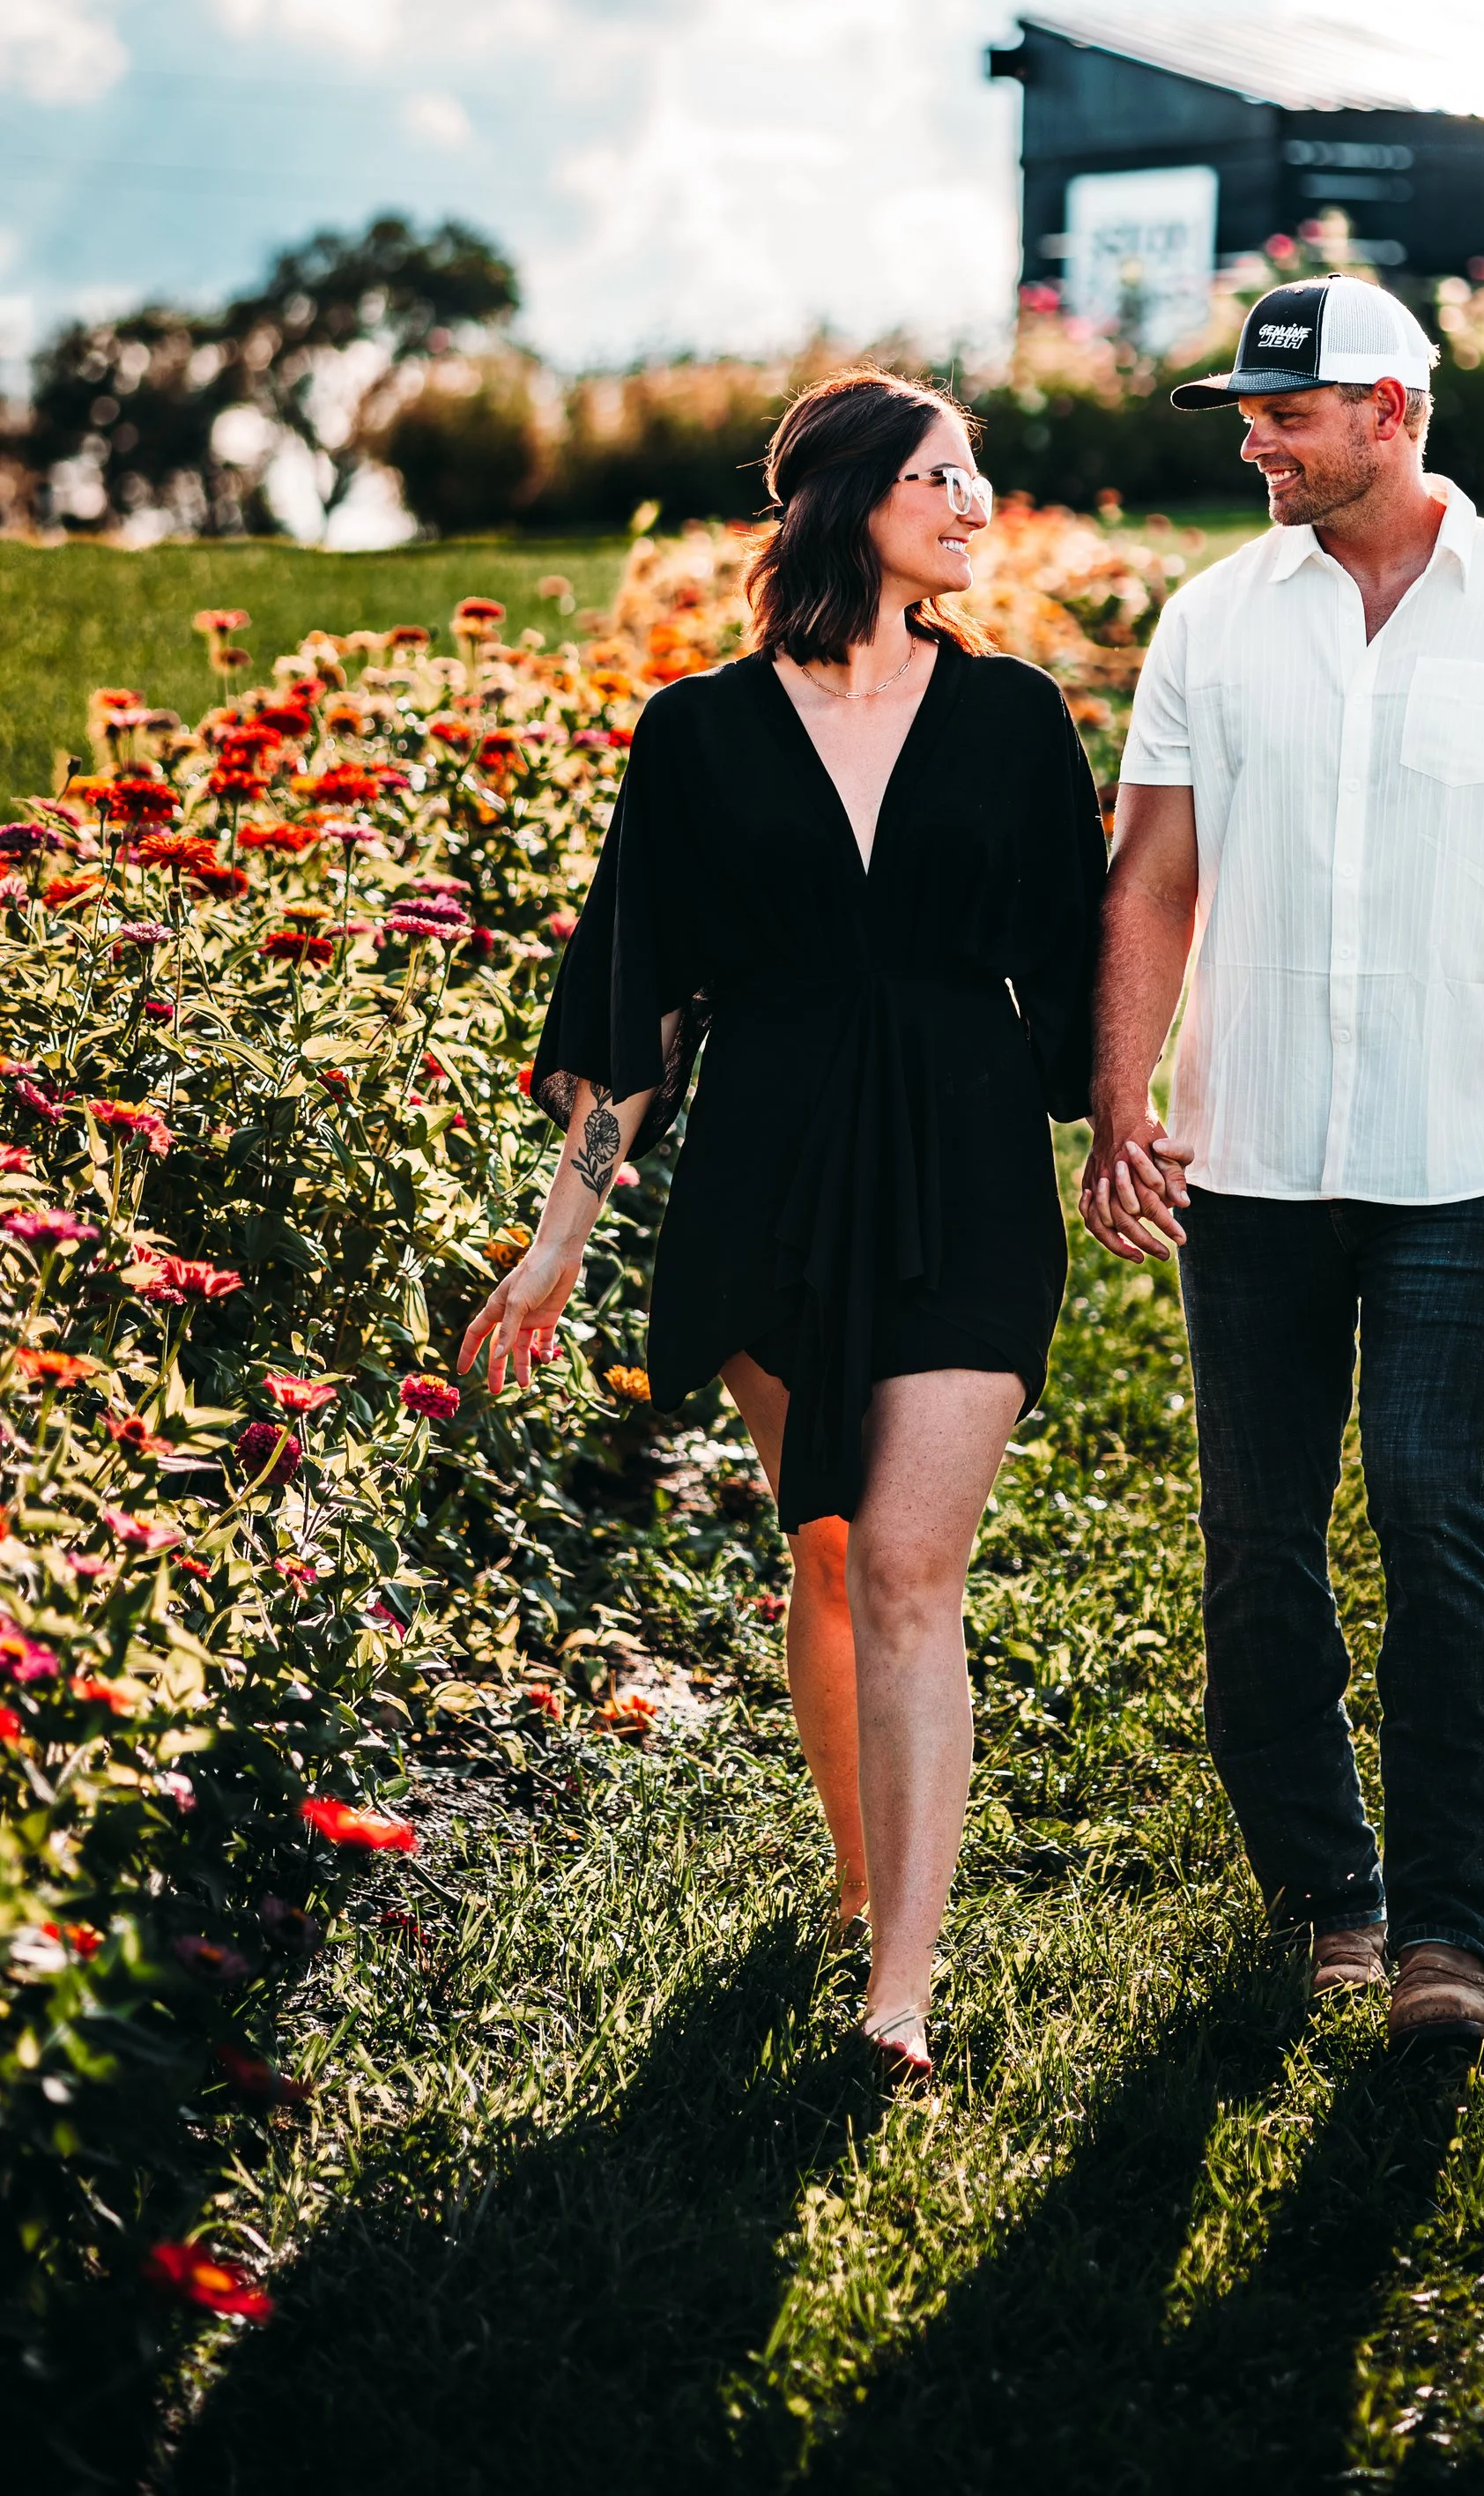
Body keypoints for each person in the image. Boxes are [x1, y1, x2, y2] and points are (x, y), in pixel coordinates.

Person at [461, 370, 1106, 2081]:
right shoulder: (696, 738)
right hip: (765, 1171)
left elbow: (1093, 970)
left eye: (978, 477)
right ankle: (858, 1878)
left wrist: (1129, 1129)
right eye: (943, 477)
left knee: (906, 1561)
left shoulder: (1017, 723)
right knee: (823, 1546)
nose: (974, 506)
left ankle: (898, 1984)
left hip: (965, 1167)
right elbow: (631, 1015)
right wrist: (559, 1237)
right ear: (846, 505)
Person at [1082, 275, 1484, 2054]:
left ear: (1392, 412)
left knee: (1432, 1507)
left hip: (1458, 1164)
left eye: (1285, 413)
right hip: (1248, 1161)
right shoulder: (1210, 623)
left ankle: (1447, 1935)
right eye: (1247, 417)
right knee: (1254, 1538)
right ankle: (1325, 1898)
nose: (1255, 441)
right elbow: (1147, 881)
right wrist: (1123, 1105)